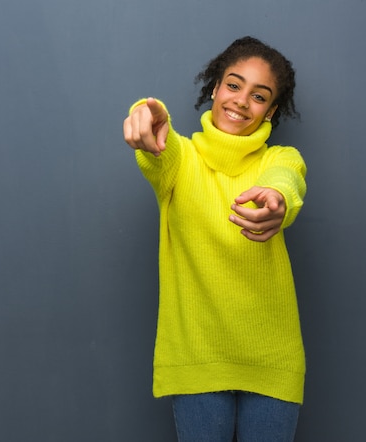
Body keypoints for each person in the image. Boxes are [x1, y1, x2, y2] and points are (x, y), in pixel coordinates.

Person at [123, 36, 307, 442]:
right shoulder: (182, 161)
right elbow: (159, 148)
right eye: (234, 85)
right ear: (215, 88)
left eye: (259, 96)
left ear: (271, 110)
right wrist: (148, 111)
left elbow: (287, 182)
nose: (241, 101)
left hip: (272, 359)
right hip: (197, 356)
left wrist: (276, 200)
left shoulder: (279, 159)